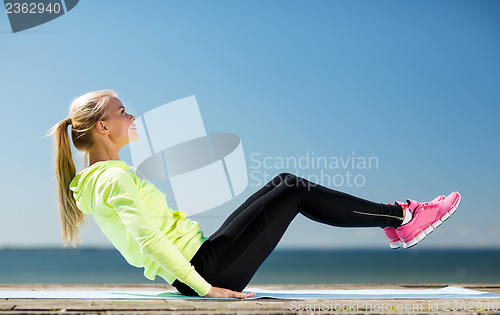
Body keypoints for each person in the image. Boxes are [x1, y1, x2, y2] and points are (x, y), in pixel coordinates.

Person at [48, 90, 461, 299]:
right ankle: (403, 218)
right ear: (103, 128)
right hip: (204, 270)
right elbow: (148, 241)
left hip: (202, 259)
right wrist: (206, 289)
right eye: (122, 111)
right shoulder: (113, 179)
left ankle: (398, 220)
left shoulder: (99, 178)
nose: (131, 115)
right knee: (292, 190)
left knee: (285, 184)